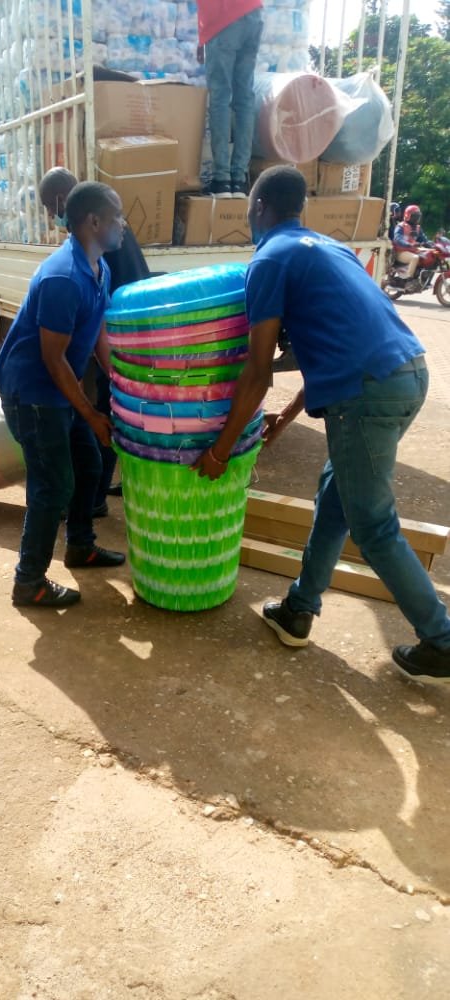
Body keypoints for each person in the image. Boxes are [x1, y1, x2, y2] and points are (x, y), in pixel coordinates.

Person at [192, 165, 450, 686]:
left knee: (372, 525)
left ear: (258, 207)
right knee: (335, 498)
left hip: (367, 392)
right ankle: (298, 609)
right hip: (407, 374)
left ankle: (442, 640)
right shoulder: (330, 248)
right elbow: (336, 348)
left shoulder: (268, 259)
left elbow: (258, 371)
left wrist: (220, 450)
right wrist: (286, 420)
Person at [0, 181, 127, 608]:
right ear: (94, 222)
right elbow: (53, 359)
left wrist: (121, 383)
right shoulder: (63, 278)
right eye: (118, 217)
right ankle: (28, 581)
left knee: (89, 465)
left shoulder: (99, 268)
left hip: (57, 391)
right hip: (32, 394)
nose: (124, 225)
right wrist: (91, 413)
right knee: (53, 485)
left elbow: (98, 331)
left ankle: (80, 546)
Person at [38, 167, 150, 512]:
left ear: (62, 201)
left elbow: (97, 322)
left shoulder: (97, 249)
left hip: (125, 329)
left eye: (50, 207)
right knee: (113, 409)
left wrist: (113, 374)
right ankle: (100, 493)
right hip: (129, 327)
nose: (52, 215)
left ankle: (94, 497)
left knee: (108, 411)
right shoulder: (79, 261)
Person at [197, 0, 264, 198]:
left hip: (223, 18)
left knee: (220, 97)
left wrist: (203, 37)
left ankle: (222, 180)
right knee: (244, 98)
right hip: (253, 13)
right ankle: (239, 180)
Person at [392, 203, 432, 282]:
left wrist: (431, 244)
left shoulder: (417, 228)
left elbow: (423, 239)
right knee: (415, 258)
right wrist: (408, 244)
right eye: (415, 216)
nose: (417, 218)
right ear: (408, 215)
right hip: (400, 252)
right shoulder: (401, 226)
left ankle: (423, 279)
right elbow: (397, 238)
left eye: (418, 216)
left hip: (412, 250)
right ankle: (408, 279)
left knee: (428, 256)